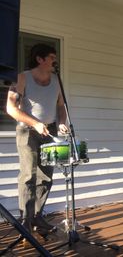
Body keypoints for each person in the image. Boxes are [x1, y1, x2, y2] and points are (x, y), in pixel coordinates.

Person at [6, 44, 68, 240]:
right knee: (28, 175)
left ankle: (38, 216)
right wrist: (35, 123)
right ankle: (26, 219)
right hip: (27, 130)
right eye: (51, 57)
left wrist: (61, 124)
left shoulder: (57, 80)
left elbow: (61, 106)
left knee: (46, 177)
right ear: (39, 59)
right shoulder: (22, 78)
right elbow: (11, 109)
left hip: (48, 131)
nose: (54, 61)